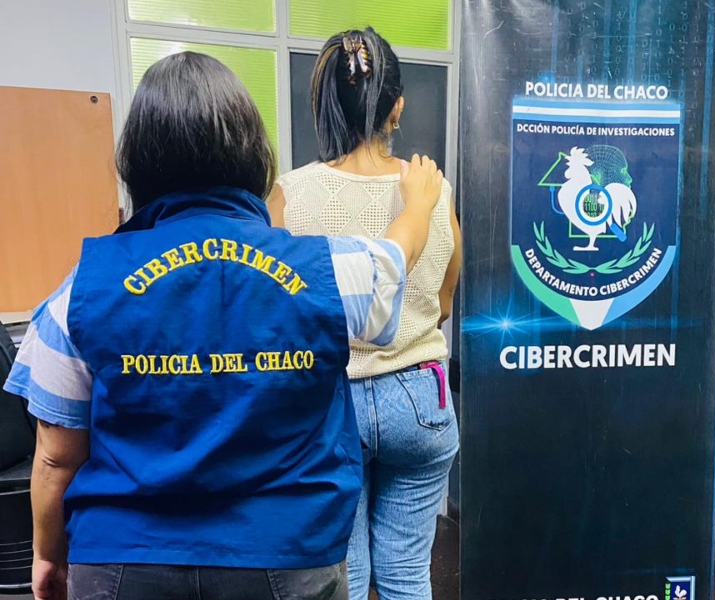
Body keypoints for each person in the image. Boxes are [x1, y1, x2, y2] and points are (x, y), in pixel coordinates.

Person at [3, 51, 444, 600]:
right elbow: (394, 261)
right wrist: (419, 204)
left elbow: (55, 456)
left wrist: (47, 555)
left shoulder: (82, 291)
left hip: (124, 562)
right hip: (287, 557)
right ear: (254, 154)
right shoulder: (326, 271)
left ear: (136, 162)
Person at [268, 28, 461, 600]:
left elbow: (280, 313)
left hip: (329, 402)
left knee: (344, 577)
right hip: (420, 401)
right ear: (396, 106)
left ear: (323, 102)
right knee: (406, 574)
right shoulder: (434, 191)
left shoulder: (288, 195)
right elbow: (444, 302)